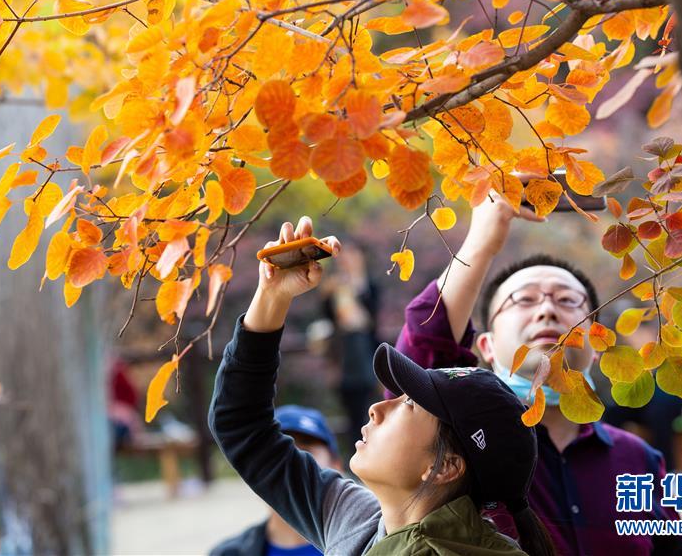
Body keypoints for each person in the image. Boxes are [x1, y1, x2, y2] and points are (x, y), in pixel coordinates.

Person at [209, 216, 554, 556]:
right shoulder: (354, 520)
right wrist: (272, 297)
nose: (377, 408)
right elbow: (242, 427)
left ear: (446, 466)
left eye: (407, 405)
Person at [393, 192, 682, 555]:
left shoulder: (638, 459)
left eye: (568, 301)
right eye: (524, 300)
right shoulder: (462, 448)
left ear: (597, 346)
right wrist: (484, 239)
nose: (548, 310)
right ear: (486, 346)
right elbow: (426, 344)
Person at [211, 405, 342, 556]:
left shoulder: (367, 547)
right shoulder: (228, 553)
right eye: (276, 456)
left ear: (336, 465)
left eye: (305, 451)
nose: (290, 465)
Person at [319, 244, 380, 451]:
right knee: (350, 410)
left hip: (365, 354)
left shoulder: (368, 285)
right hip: (343, 357)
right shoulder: (334, 286)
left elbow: (372, 317)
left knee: (370, 408)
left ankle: (372, 453)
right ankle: (355, 454)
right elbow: (328, 318)